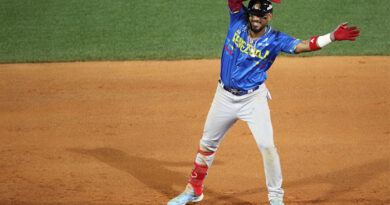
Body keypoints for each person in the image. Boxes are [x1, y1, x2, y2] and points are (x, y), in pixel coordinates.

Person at [167, 0, 360, 204]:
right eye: (252, 14)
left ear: (269, 17)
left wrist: (331, 37)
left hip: (253, 99)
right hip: (223, 96)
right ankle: (194, 189)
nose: (254, 19)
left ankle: (276, 199)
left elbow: (303, 45)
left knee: (267, 146)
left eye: (260, 16)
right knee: (206, 145)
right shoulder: (237, 21)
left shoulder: (276, 39)